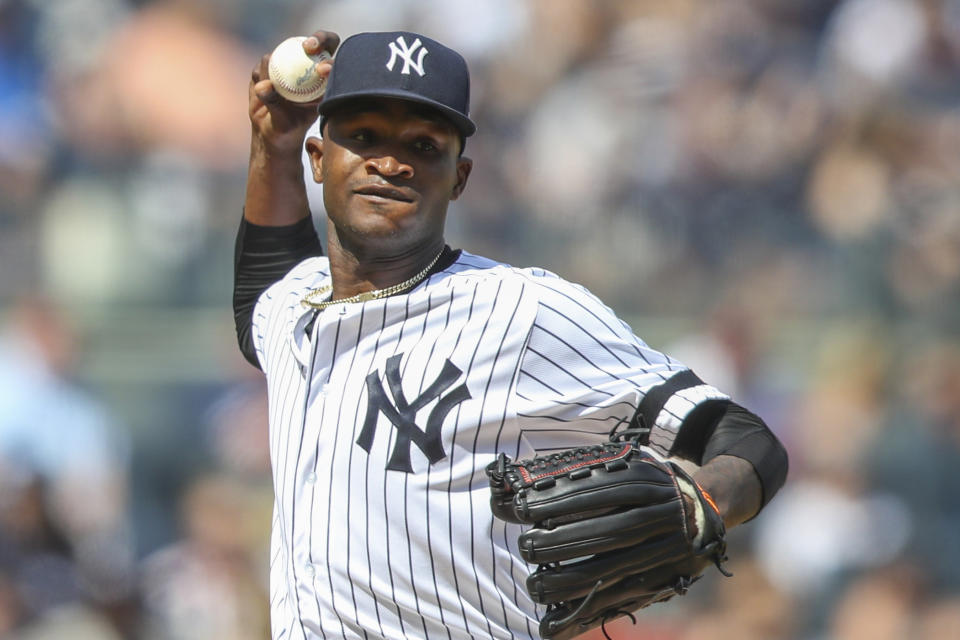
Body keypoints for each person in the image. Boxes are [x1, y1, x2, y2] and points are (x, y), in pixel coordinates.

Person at [233, 29, 788, 640]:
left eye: (422, 145)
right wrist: (272, 145)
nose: (390, 162)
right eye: (364, 137)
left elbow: (747, 440)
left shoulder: (522, 309)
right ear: (318, 158)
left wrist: (701, 500)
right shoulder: (295, 305)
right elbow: (262, 293)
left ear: (459, 176)